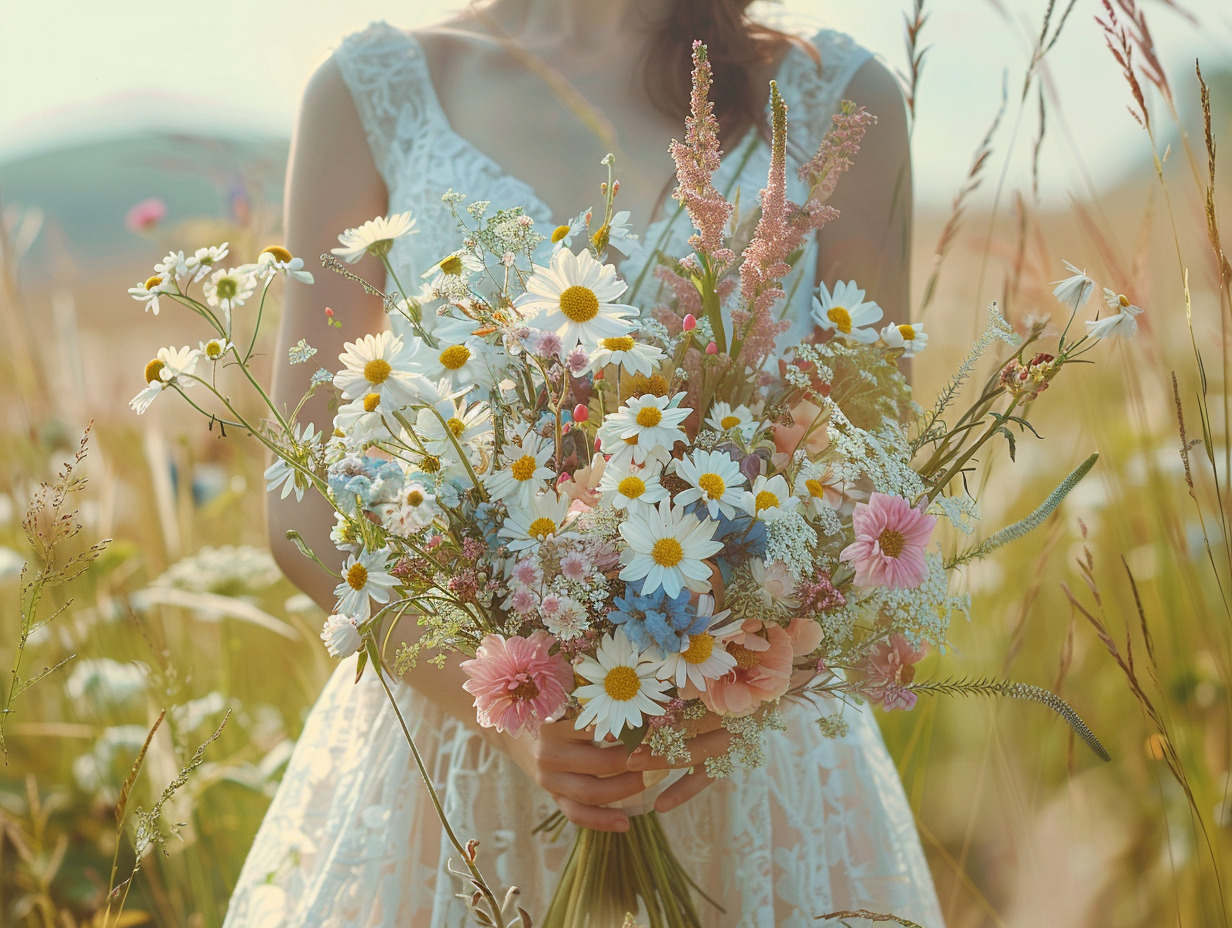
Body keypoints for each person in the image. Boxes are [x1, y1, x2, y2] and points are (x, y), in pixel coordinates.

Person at [222, 1, 941, 925]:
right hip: (462, 748)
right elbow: (306, 507)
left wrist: (740, 680)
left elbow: (883, 486)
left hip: (744, 752)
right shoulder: (375, 89)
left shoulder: (834, 93)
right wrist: (523, 720)